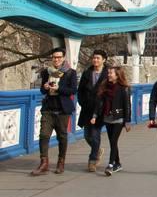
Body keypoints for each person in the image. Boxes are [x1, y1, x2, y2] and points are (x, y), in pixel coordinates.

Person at [31, 48, 78, 176]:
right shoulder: (47, 72)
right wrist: (45, 87)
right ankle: (44, 163)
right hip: (48, 108)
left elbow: (73, 90)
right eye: (54, 57)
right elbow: (42, 90)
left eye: (59, 57)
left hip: (62, 110)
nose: (56, 59)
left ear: (63, 58)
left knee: (62, 137)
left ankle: (61, 162)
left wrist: (59, 88)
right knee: (44, 135)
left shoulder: (70, 73)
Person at [90, 65, 131, 176]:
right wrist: (94, 115)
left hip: (118, 118)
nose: (108, 75)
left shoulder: (124, 88)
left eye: (111, 73)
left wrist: (127, 121)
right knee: (113, 142)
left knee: (113, 141)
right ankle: (118, 163)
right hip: (107, 118)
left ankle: (111, 165)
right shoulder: (104, 87)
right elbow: (99, 103)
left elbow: (127, 105)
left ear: (117, 75)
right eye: (108, 73)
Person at [77, 49, 108, 172]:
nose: (95, 60)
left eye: (98, 58)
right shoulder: (87, 73)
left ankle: (92, 160)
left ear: (104, 60)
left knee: (95, 135)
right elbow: (80, 90)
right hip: (87, 108)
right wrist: (82, 102)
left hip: (100, 109)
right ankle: (98, 150)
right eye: (94, 58)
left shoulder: (108, 74)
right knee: (87, 135)